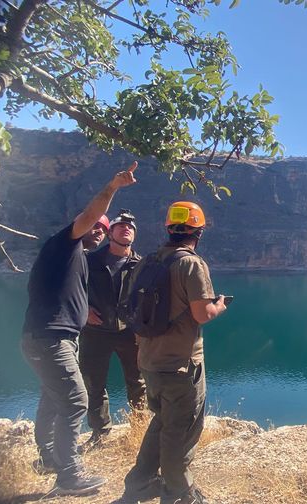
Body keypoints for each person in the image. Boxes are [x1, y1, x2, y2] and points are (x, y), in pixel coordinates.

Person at [21, 162, 138, 496]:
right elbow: (91, 215)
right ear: (80, 227)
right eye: (96, 228)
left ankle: (47, 459)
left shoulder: (74, 258)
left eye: (103, 229)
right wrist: (113, 186)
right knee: (75, 401)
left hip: (48, 337)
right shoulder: (66, 243)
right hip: (52, 338)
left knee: (52, 398)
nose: (99, 231)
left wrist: (83, 310)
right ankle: (69, 476)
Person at [119, 201, 228, 504]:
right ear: (199, 230)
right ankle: (179, 494)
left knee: (162, 422)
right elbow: (202, 313)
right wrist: (219, 305)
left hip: (149, 362)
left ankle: (139, 484)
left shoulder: (147, 261)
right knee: (181, 434)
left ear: (168, 227)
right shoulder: (191, 264)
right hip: (181, 365)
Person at [79, 209, 146, 452]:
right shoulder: (89, 261)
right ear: (110, 233)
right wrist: (83, 310)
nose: (126, 228)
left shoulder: (140, 265)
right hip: (95, 331)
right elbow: (70, 288)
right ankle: (100, 432)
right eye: (120, 226)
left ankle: (139, 430)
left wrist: (142, 326)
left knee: (137, 382)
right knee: (94, 383)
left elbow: (149, 298)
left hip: (130, 332)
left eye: (130, 227)